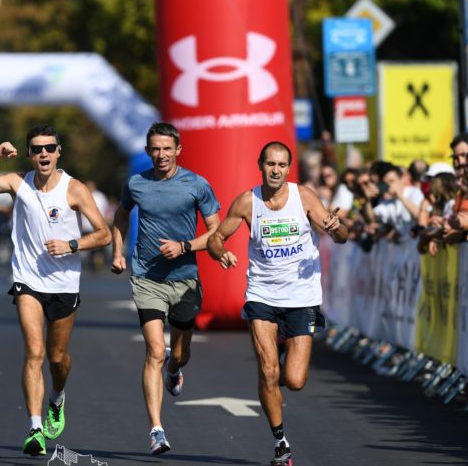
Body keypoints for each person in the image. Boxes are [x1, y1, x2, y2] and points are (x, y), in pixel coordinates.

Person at [0, 124, 111, 456]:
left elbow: (104, 234)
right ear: (29, 154)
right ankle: (35, 429)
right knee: (35, 352)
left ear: (59, 152)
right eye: (37, 149)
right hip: (27, 280)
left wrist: (71, 245)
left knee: (57, 358)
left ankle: (57, 396)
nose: (44, 154)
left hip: (65, 283)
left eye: (49, 148)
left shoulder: (75, 190)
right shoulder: (17, 183)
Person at [207, 141, 347, 466]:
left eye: (282, 165)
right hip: (262, 295)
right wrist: (220, 252)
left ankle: (278, 365)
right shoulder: (247, 201)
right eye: (270, 164)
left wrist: (337, 228)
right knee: (268, 371)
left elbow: (342, 235)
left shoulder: (305, 197)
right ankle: (280, 441)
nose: (276, 170)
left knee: (294, 380)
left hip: (301, 297)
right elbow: (216, 237)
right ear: (261, 165)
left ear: (288, 168)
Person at [110, 122, 221, 456]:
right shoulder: (136, 184)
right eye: (155, 149)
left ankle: (176, 368)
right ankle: (156, 430)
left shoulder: (197, 184)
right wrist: (118, 251)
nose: (161, 155)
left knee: (179, 354)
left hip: (185, 278)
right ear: (148, 152)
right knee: (155, 351)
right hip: (147, 279)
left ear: (178, 150)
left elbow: (216, 232)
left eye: (167, 149)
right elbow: (120, 215)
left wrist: (185, 246)